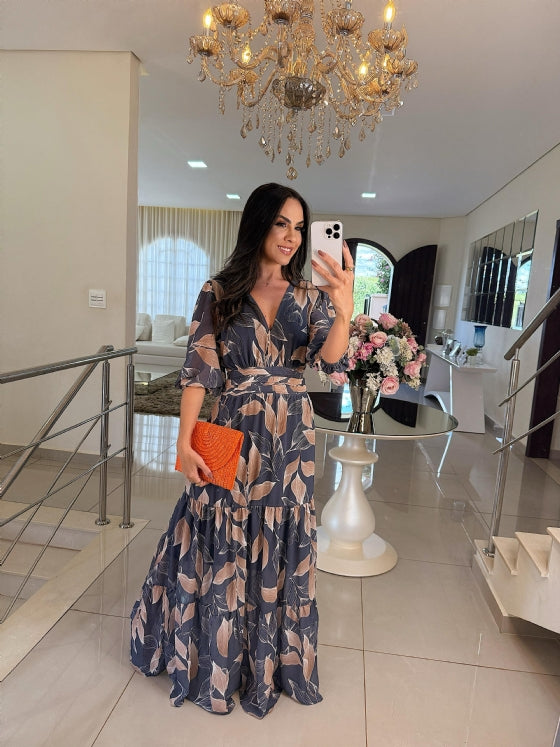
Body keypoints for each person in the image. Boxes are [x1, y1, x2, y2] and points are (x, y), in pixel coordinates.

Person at [130, 182, 354, 718]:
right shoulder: (219, 290)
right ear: (258, 224)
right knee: (215, 531)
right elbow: (198, 371)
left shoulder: (310, 294)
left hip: (291, 436)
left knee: (282, 537)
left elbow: (330, 363)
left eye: (299, 228)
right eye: (281, 223)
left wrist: (343, 309)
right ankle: (215, 658)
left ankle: (266, 663)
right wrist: (185, 442)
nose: (291, 237)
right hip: (231, 427)